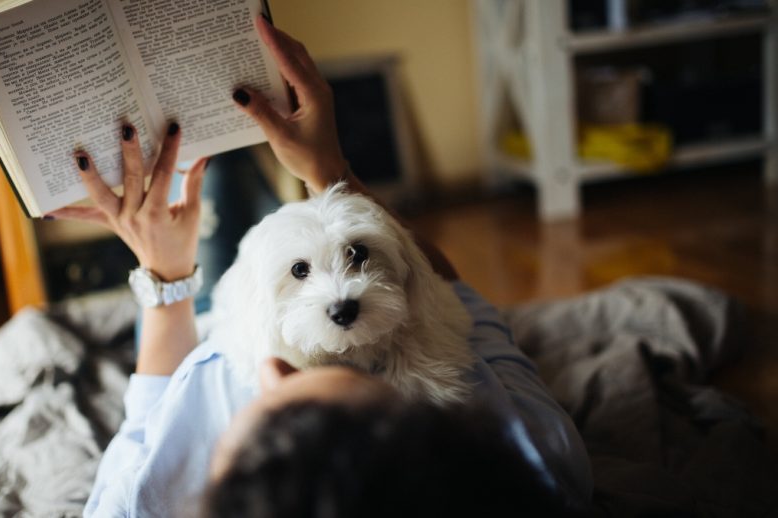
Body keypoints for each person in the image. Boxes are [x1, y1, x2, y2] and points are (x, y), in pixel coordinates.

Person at [51, 15, 592, 517]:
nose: (274, 370)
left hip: (211, 306)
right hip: (290, 279)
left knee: (213, 179)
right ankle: (233, 158)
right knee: (257, 201)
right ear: (438, 441)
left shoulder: (139, 503)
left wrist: (164, 277)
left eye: (280, 413)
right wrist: (331, 174)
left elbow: (146, 426)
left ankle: (215, 149)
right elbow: (450, 291)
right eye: (381, 405)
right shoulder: (537, 465)